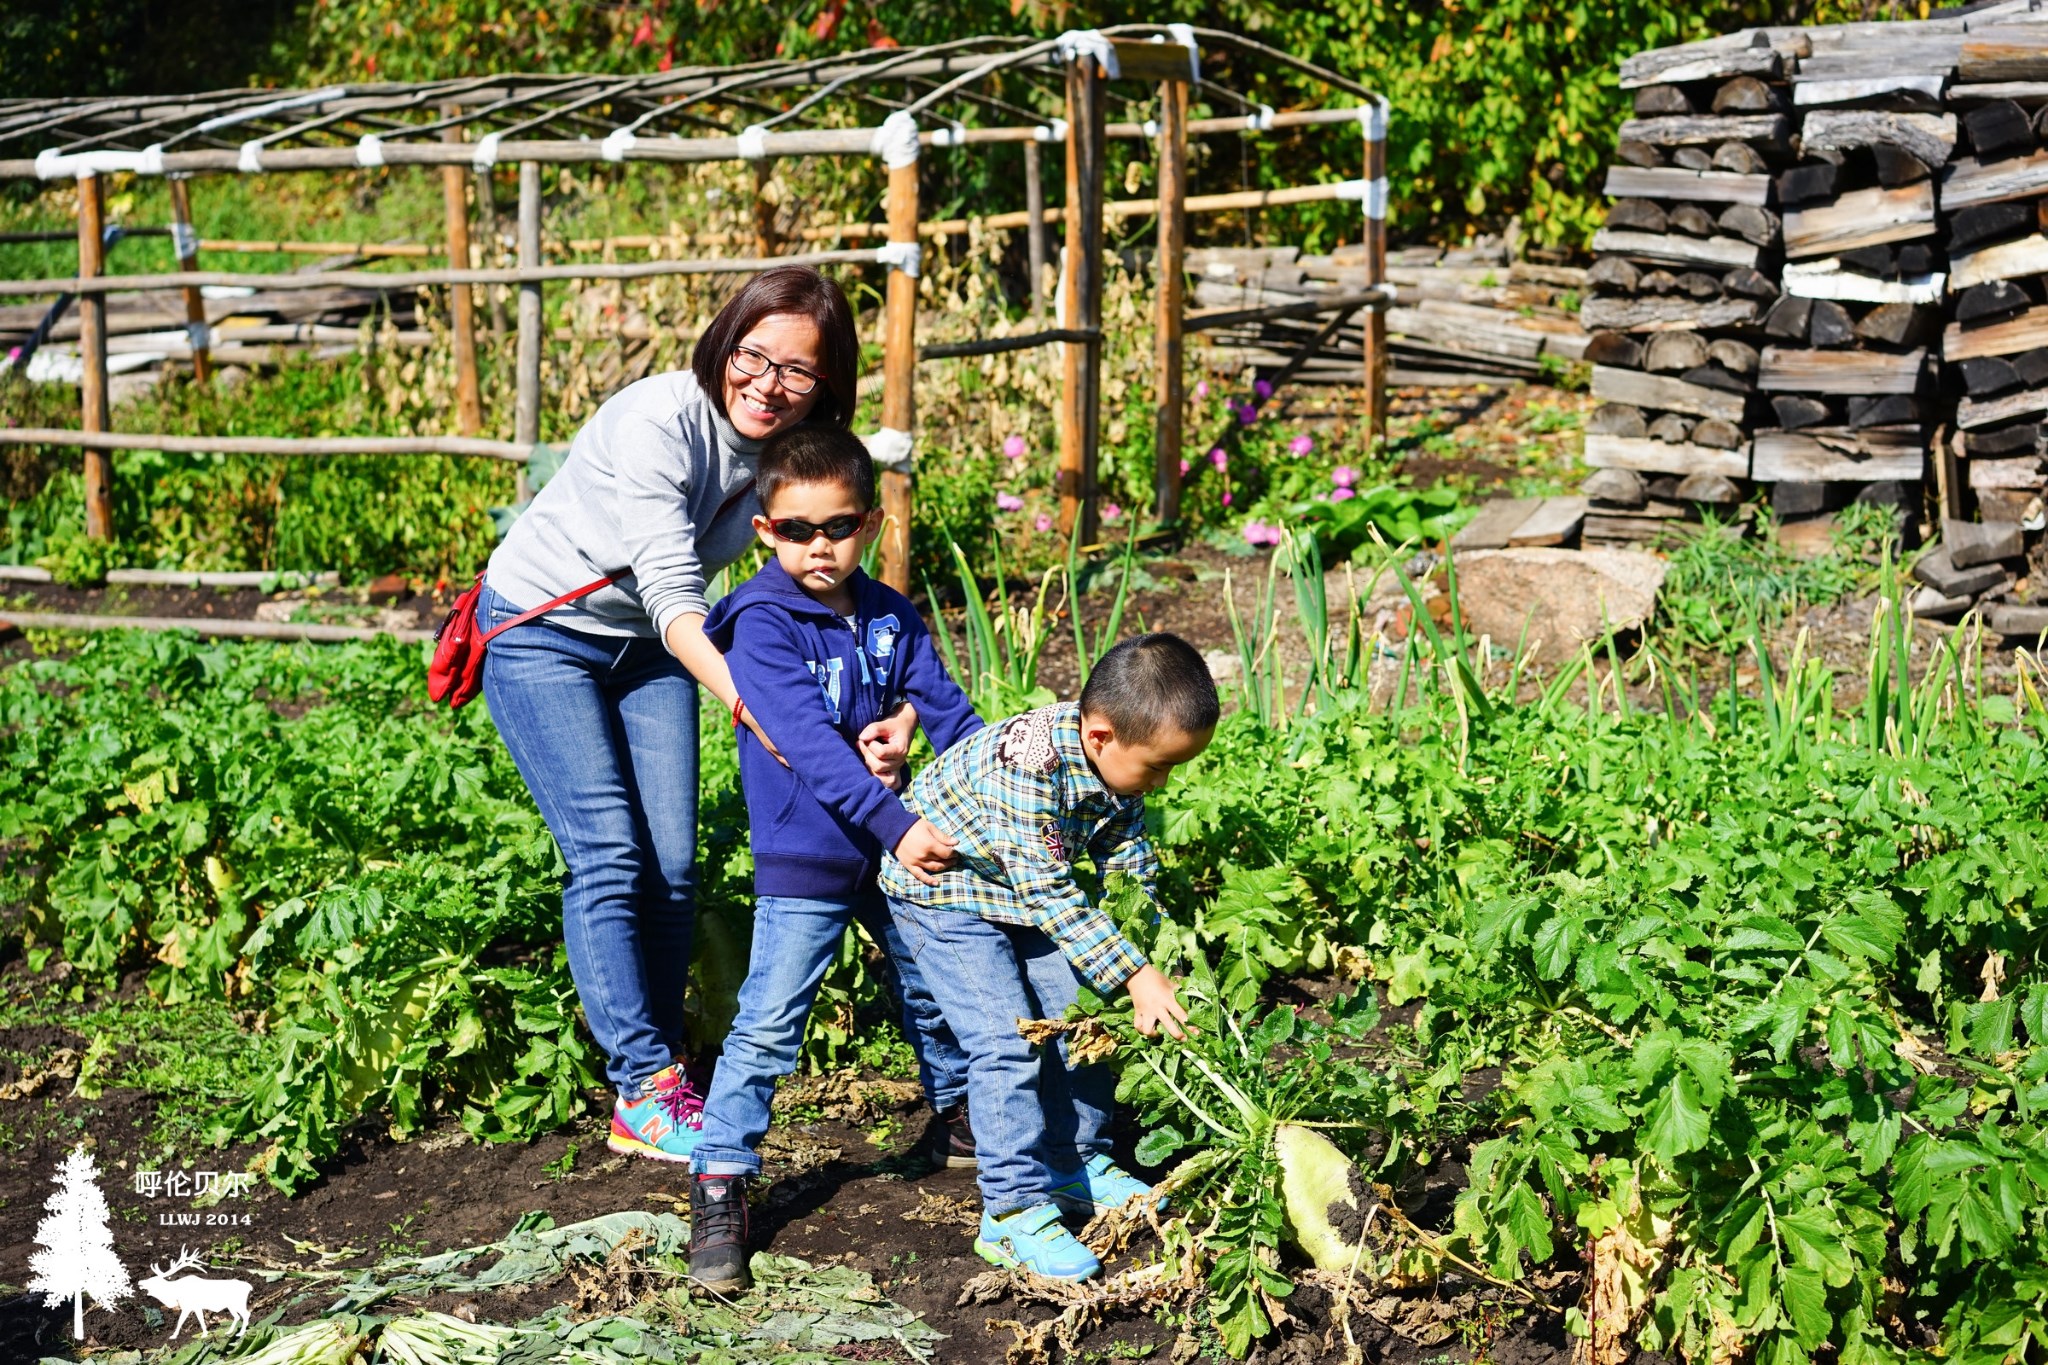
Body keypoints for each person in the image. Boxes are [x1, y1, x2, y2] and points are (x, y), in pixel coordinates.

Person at [478, 266, 918, 1164]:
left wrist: (897, 700)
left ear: (825, 384)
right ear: (726, 342)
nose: (768, 384)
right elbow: (677, 592)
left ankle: (669, 1064)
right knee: (608, 853)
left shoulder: (789, 449)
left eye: (798, 371)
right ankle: (641, 1090)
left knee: (673, 864)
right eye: (755, 356)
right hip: (542, 631)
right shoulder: (657, 421)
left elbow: (836, 554)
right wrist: (753, 706)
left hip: (649, 647)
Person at [684, 425, 986, 1294]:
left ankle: (958, 1118)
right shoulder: (762, 626)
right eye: (798, 528)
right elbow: (812, 749)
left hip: (894, 835)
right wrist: (898, 823)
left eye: (841, 525)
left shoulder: (891, 612)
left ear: (872, 523)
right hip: (811, 848)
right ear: (764, 530)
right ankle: (721, 1177)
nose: (822, 545)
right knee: (773, 1015)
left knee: (929, 980)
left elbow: (947, 709)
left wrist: (976, 766)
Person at [880, 635, 1220, 1281]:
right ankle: (1011, 1211)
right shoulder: (1029, 765)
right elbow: (1051, 890)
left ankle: (1073, 1160)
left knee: (1084, 1011)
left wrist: (1151, 950)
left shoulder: (1120, 755)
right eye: (1155, 768)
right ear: (1099, 735)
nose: (1161, 782)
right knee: (1007, 1039)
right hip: (943, 895)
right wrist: (1134, 971)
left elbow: (1128, 861)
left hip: (1013, 893)